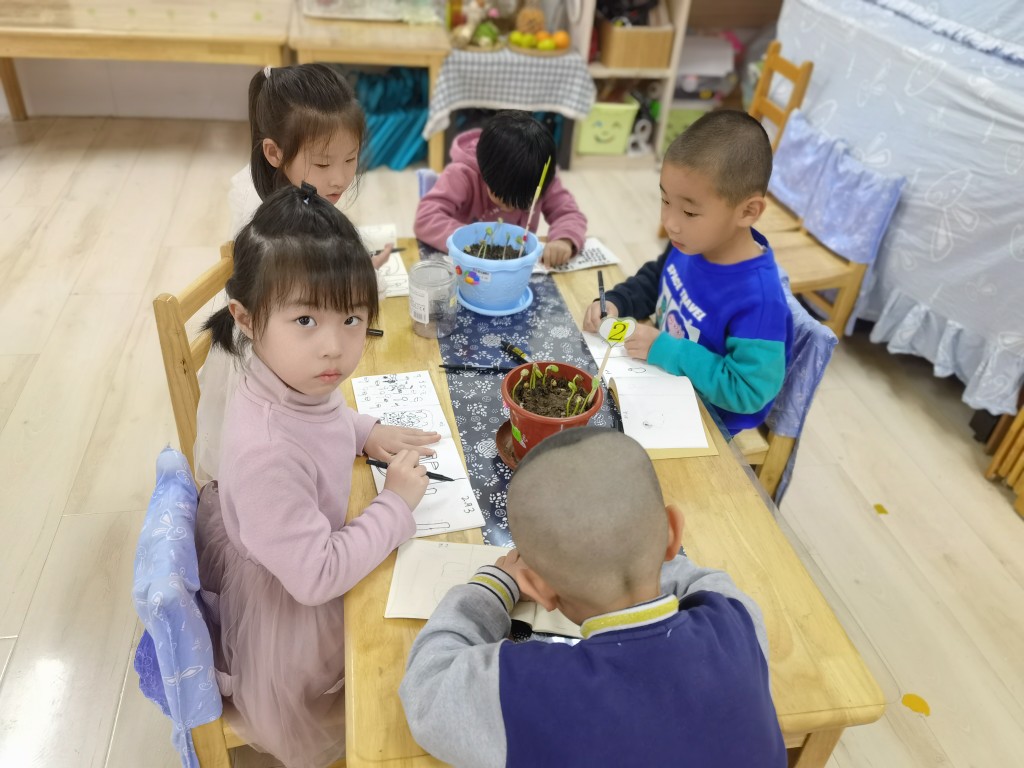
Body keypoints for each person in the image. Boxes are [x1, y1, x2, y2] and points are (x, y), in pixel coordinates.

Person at [196, 185, 440, 768]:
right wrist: (394, 506)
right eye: (305, 319)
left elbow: (317, 419)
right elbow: (317, 576)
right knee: (410, 647)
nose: (334, 347)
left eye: (352, 318)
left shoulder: (288, 374)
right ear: (245, 318)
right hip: (295, 606)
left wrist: (365, 431)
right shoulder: (267, 453)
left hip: (291, 545)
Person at [399, 427, 786, 767]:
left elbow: (428, 687)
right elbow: (708, 582)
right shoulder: (738, 624)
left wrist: (496, 584)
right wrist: (640, 551)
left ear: (538, 587)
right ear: (673, 532)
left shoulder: (525, 692)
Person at [198, 63, 392, 484]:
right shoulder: (269, 223)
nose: (339, 178)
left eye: (351, 159)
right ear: (274, 153)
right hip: (266, 365)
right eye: (322, 164)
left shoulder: (295, 196)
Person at [583, 110, 793, 435]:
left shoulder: (759, 302)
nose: (670, 222)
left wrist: (668, 350)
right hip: (657, 378)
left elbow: (747, 391)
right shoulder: (693, 243)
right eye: (665, 200)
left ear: (748, 211)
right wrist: (617, 301)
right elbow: (657, 278)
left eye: (690, 211)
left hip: (704, 420)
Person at [414, 110, 587, 268]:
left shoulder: (538, 177)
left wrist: (564, 240)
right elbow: (426, 218)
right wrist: (472, 239)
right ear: (485, 175)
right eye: (503, 199)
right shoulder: (463, 174)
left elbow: (569, 214)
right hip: (468, 266)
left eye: (524, 203)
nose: (510, 208)